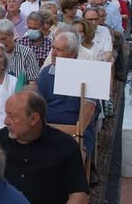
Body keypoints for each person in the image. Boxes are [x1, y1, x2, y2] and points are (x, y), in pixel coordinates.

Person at [0, 90, 88, 204]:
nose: (6, 121)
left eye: (13, 116)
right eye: (6, 114)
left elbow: (78, 193)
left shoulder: (65, 146)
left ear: (34, 118)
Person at [36, 31, 97, 161]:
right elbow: (38, 105)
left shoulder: (88, 72)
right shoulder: (46, 73)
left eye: (59, 50)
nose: (53, 53)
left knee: (71, 158)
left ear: (73, 54)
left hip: (79, 131)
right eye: (53, 48)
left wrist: (77, 134)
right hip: (47, 129)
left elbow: (89, 108)